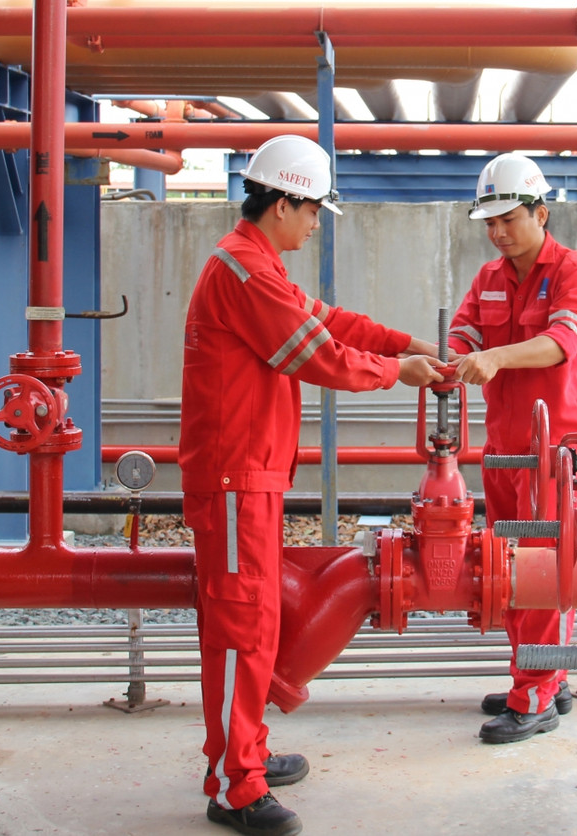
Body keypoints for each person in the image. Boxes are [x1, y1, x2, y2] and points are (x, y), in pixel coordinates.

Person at [180, 134, 446, 836]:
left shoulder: (257, 264)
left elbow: (326, 319)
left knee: (256, 624)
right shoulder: (243, 271)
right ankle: (235, 787)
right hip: (235, 481)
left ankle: (245, 756)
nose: (316, 223)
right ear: (283, 203)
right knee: (240, 630)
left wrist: (405, 343)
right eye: (313, 211)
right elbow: (315, 353)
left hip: (249, 477)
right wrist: (397, 373)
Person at [448, 152, 577, 744]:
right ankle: (541, 678)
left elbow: (563, 342)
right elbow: (462, 335)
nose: (498, 232)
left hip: (552, 453)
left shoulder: (574, 274)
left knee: (542, 573)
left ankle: (534, 695)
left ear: (541, 213)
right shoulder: (490, 278)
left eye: (508, 219)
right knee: (511, 569)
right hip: (504, 449)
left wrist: (493, 357)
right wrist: (441, 359)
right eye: (490, 222)